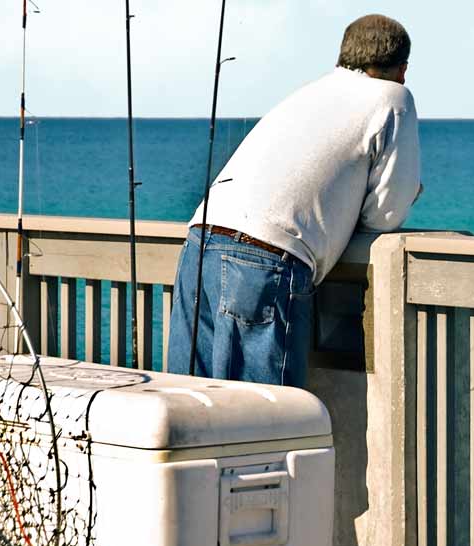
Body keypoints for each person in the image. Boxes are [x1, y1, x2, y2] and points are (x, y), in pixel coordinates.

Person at [167, 13, 422, 387]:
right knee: (268, 420)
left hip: (200, 242)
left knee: (192, 408)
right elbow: (387, 213)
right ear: (401, 69)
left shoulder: (311, 91)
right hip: (265, 255)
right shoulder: (393, 97)